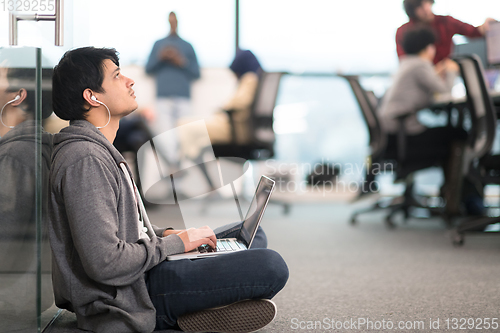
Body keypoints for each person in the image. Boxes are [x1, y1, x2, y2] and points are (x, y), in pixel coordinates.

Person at [48, 47, 288, 333]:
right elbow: (106, 263)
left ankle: (203, 303)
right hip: (130, 295)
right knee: (271, 265)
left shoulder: (98, 150)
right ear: (93, 97)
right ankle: (179, 313)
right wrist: (175, 246)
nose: (129, 81)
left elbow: (127, 229)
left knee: (250, 235)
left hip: (141, 271)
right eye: (116, 76)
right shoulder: (85, 160)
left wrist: (166, 235)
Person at [380, 26, 468, 214]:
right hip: (406, 136)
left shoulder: (407, 63)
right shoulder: (420, 65)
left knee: (449, 132)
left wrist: (436, 71)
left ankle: (452, 196)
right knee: (458, 133)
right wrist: (451, 70)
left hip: (393, 135)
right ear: (428, 48)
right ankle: (453, 201)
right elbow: (445, 90)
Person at [179, 49, 262, 162]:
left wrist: (224, 107)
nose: (236, 77)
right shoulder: (256, 78)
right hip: (236, 126)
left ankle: (184, 165)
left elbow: (239, 103)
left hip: (235, 130)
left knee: (184, 127)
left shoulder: (250, 78)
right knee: (185, 124)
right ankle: (192, 159)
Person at [146, 12, 200, 172]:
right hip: (163, 96)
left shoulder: (187, 46)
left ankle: (180, 169)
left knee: (184, 136)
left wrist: (180, 61)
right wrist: (161, 58)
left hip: (183, 97)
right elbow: (148, 69)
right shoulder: (158, 45)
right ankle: (172, 167)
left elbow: (197, 73)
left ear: (177, 22)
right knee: (164, 135)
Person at [396, 0, 496, 65]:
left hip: (445, 74)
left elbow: (473, 31)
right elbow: (405, 62)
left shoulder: (445, 22)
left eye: (426, 3)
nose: (425, 9)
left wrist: (486, 26)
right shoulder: (404, 31)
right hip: (419, 77)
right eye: (419, 7)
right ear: (412, 11)